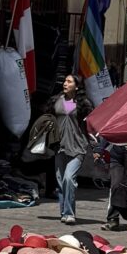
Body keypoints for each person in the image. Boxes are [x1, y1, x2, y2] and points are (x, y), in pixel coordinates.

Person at [53, 74, 90, 220]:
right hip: (59, 146)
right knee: (61, 181)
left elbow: (90, 126)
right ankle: (63, 212)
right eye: (65, 81)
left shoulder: (83, 104)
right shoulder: (56, 101)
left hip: (77, 147)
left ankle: (69, 213)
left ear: (77, 85)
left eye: (69, 81)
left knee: (69, 178)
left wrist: (95, 147)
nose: (65, 83)